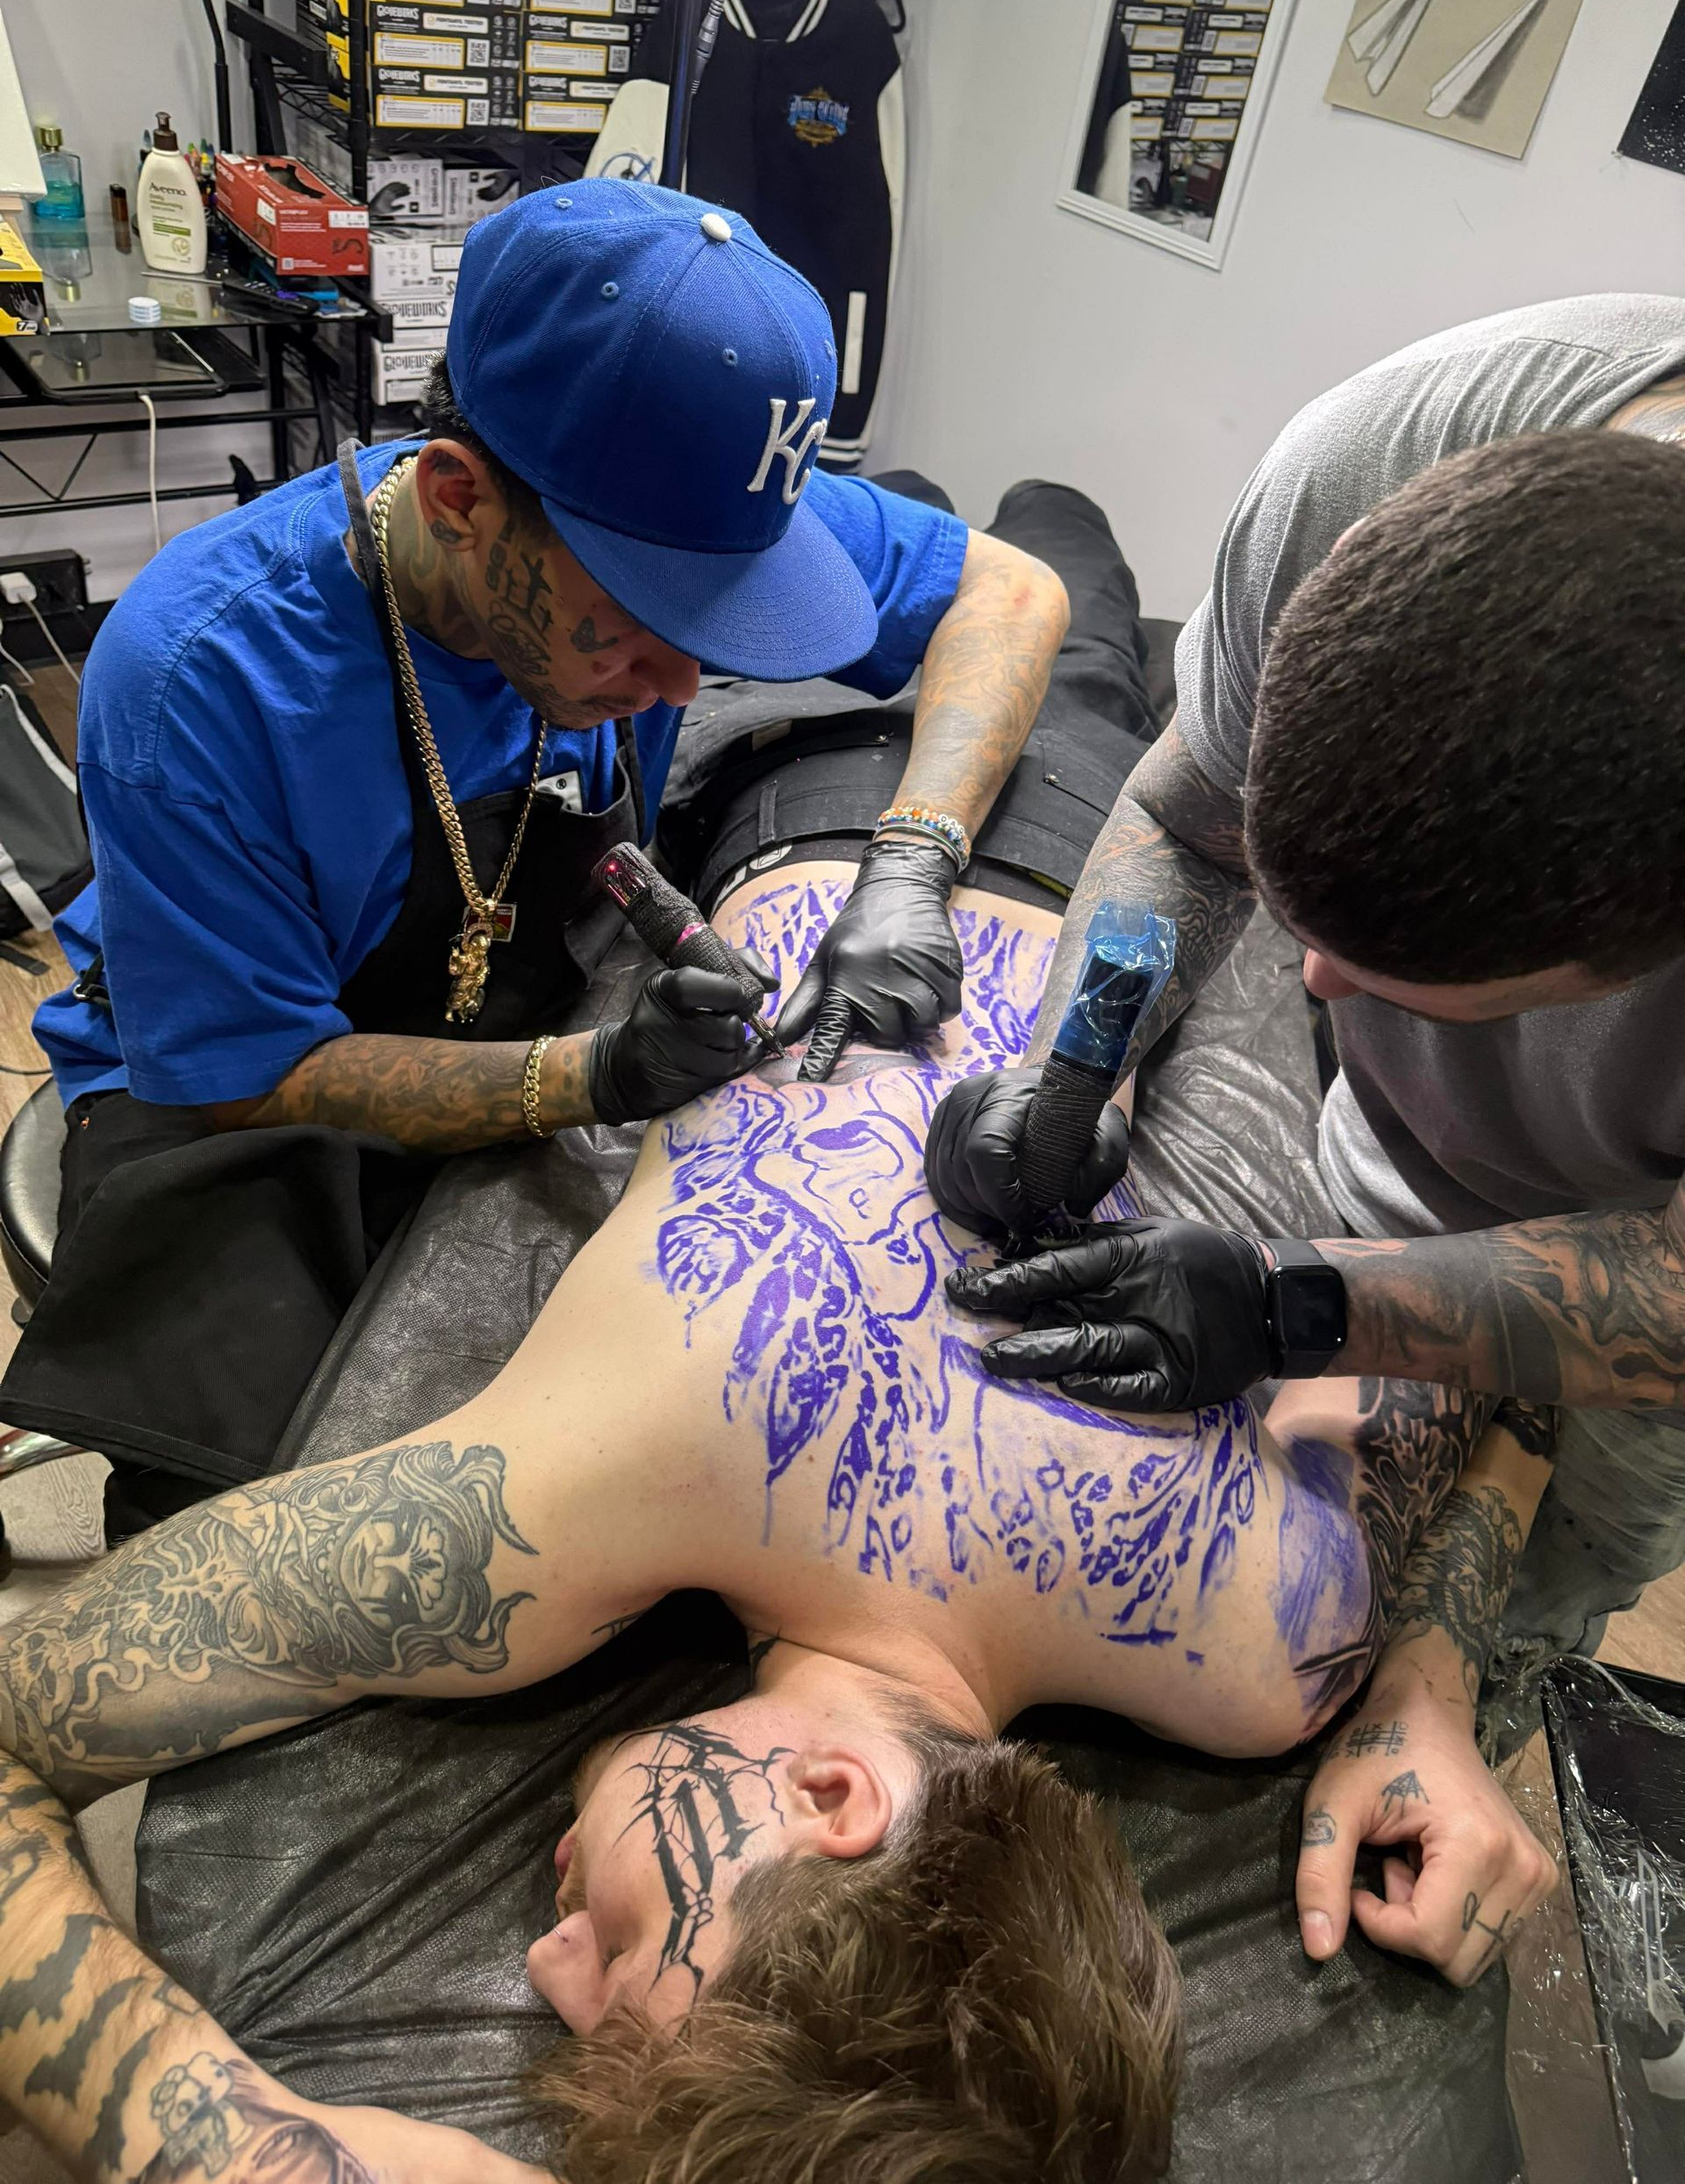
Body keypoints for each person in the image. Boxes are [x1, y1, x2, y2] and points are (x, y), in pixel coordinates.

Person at [0, 849, 1555, 2184]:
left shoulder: (1262, 1653)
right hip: (874, 817)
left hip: (1152, 892)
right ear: (829, 1798)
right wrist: (192, 2130)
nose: (548, 1964)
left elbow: (1522, 1386)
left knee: (1057, 554)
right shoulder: (551, 1508)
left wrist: (1419, 1678)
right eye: (613, 1956)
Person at [1, 177, 1068, 1539]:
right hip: (243, 1086)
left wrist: (915, 856)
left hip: (513, 981)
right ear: (458, 498)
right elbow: (251, 1077)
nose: (690, 672)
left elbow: (1016, 590)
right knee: (294, 1512)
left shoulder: (687, 503)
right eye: (635, 621)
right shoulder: (201, 679)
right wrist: (591, 1078)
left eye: (725, 611)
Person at [927, 296, 1685, 1773]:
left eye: (1393, 977)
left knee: (1517, 1613)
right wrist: (1081, 1053)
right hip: (1380, 1178)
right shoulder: (1363, 465)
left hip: (1640, 1315)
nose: (1312, 986)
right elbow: (1179, 818)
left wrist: (1296, 1307)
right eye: (1304, 922)